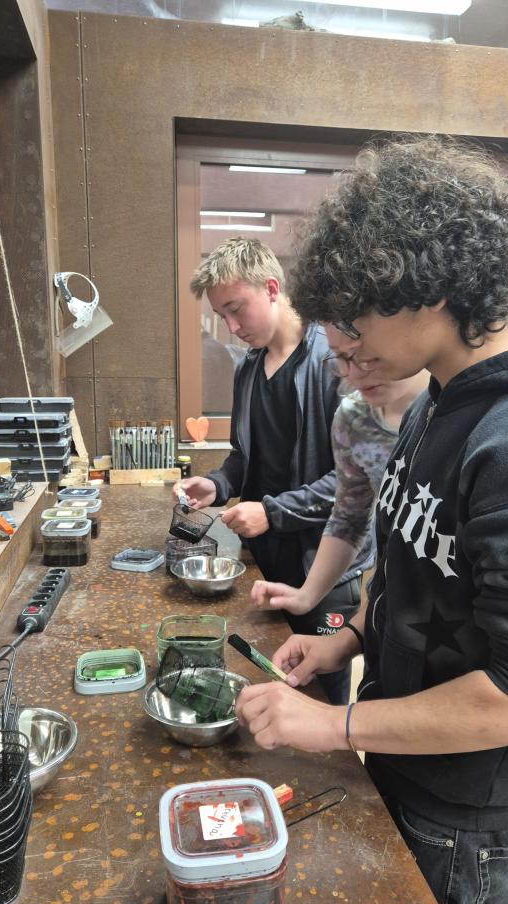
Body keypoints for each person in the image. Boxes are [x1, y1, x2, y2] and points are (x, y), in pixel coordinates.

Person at [236, 136, 508, 904]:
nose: (343, 341)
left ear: (428, 291)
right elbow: (399, 561)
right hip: (405, 761)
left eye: (356, 320)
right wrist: (346, 640)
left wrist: (334, 726)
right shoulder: (432, 401)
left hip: (467, 815)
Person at [175, 237, 370, 702]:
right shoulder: (248, 368)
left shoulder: (335, 362)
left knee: (319, 694)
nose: (231, 327)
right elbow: (246, 456)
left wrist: (272, 511)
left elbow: (357, 479)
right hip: (266, 558)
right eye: (221, 315)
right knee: (269, 678)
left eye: (236, 309)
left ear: (271, 288)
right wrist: (217, 484)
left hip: (324, 566)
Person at [250, 323, 428, 622]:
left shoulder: (455, 411)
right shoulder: (354, 415)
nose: (353, 375)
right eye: (341, 358)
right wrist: (307, 595)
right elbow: (349, 516)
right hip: (394, 611)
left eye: (364, 355)